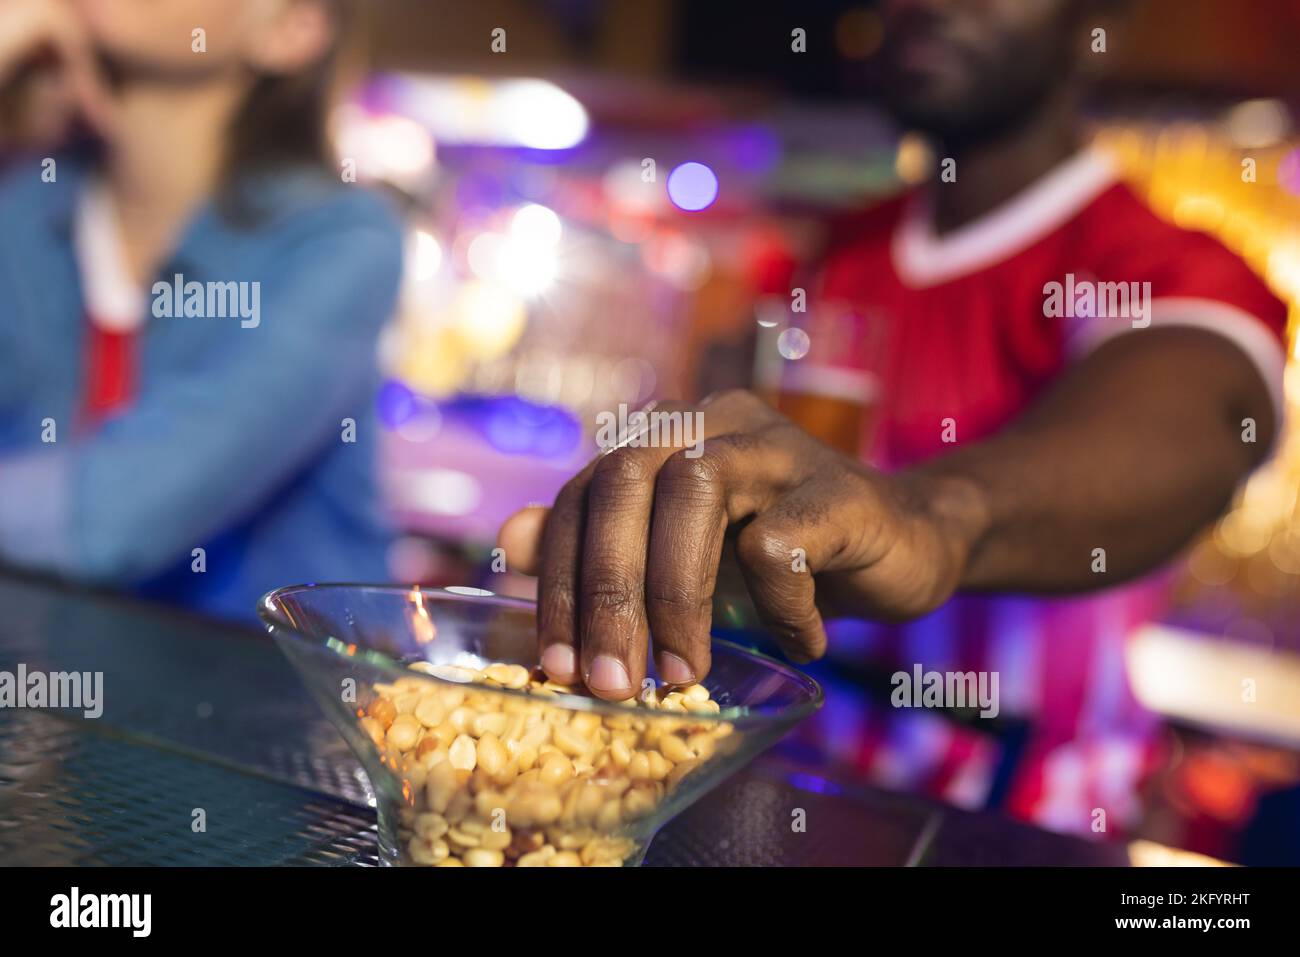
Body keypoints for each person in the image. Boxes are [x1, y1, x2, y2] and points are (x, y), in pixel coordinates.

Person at [499, 0, 1288, 833]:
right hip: (780, 795)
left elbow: (1192, 418)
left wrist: (926, 517)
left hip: (1023, 826)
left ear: (1097, 27)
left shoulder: (1162, 268)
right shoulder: (827, 257)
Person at [0, 0, 403, 620]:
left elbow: (122, 514)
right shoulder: (23, 206)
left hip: (291, 700)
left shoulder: (340, 240)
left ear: (290, 31)